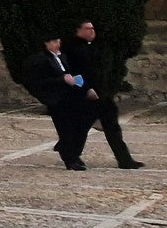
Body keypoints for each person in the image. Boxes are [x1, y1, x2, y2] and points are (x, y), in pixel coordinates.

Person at [61, 21, 144, 169]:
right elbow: (71, 73)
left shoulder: (98, 47)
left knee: (113, 128)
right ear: (78, 31)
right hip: (85, 96)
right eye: (87, 28)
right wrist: (86, 89)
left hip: (103, 95)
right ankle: (71, 158)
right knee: (81, 128)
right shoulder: (71, 49)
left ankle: (124, 160)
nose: (91, 31)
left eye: (92, 28)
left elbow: (105, 71)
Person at [22, 35, 91, 170]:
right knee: (64, 129)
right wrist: (62, 80)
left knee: (78, 126)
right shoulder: (41, 60)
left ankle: (67, 150)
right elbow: (41, 82)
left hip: (70, 97)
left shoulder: (62, 57)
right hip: (56, 99)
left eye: (58, 41)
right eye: (54, 42)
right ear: (46, 44)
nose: (57, 44)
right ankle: (70, 160)